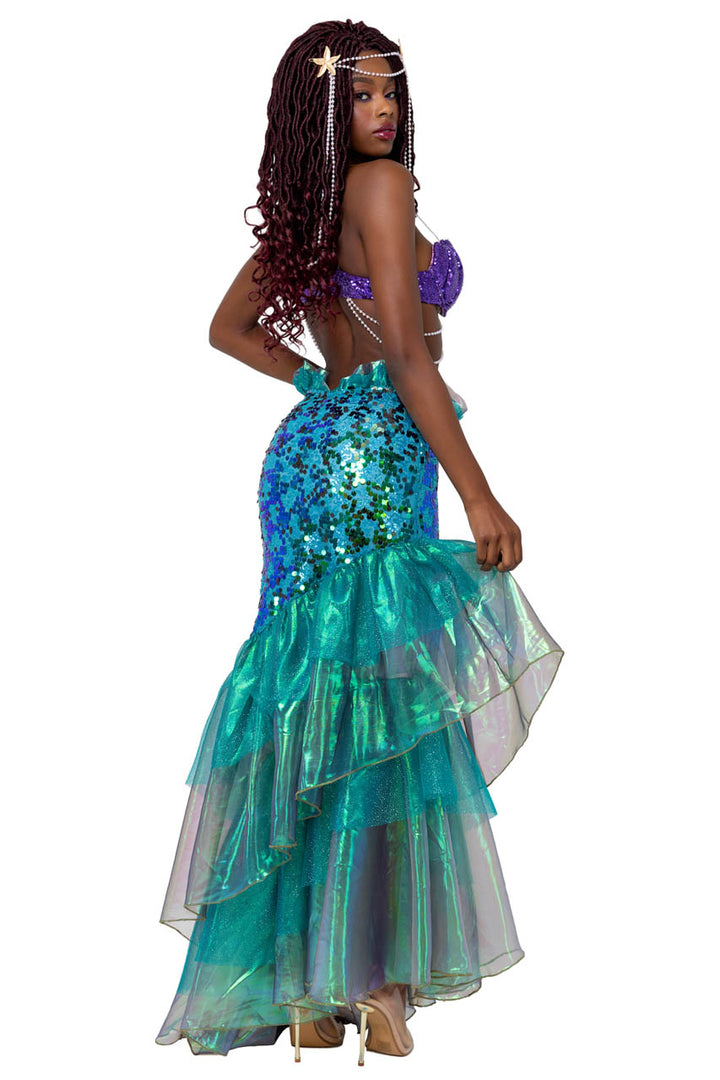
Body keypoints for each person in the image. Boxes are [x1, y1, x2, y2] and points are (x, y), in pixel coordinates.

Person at [154, 18, 564, 1065]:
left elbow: (229, 329)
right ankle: (376, 984)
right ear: (324, 114)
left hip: (317, 456)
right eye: (361, 97)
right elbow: (413, 363)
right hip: (380, 448)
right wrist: (481, 495)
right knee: (382, 705)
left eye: (389, 92)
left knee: (322, 700)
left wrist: (314, 385)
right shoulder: (382, 190)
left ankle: (309, 984)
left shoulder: (311, 214)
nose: (382, 111)